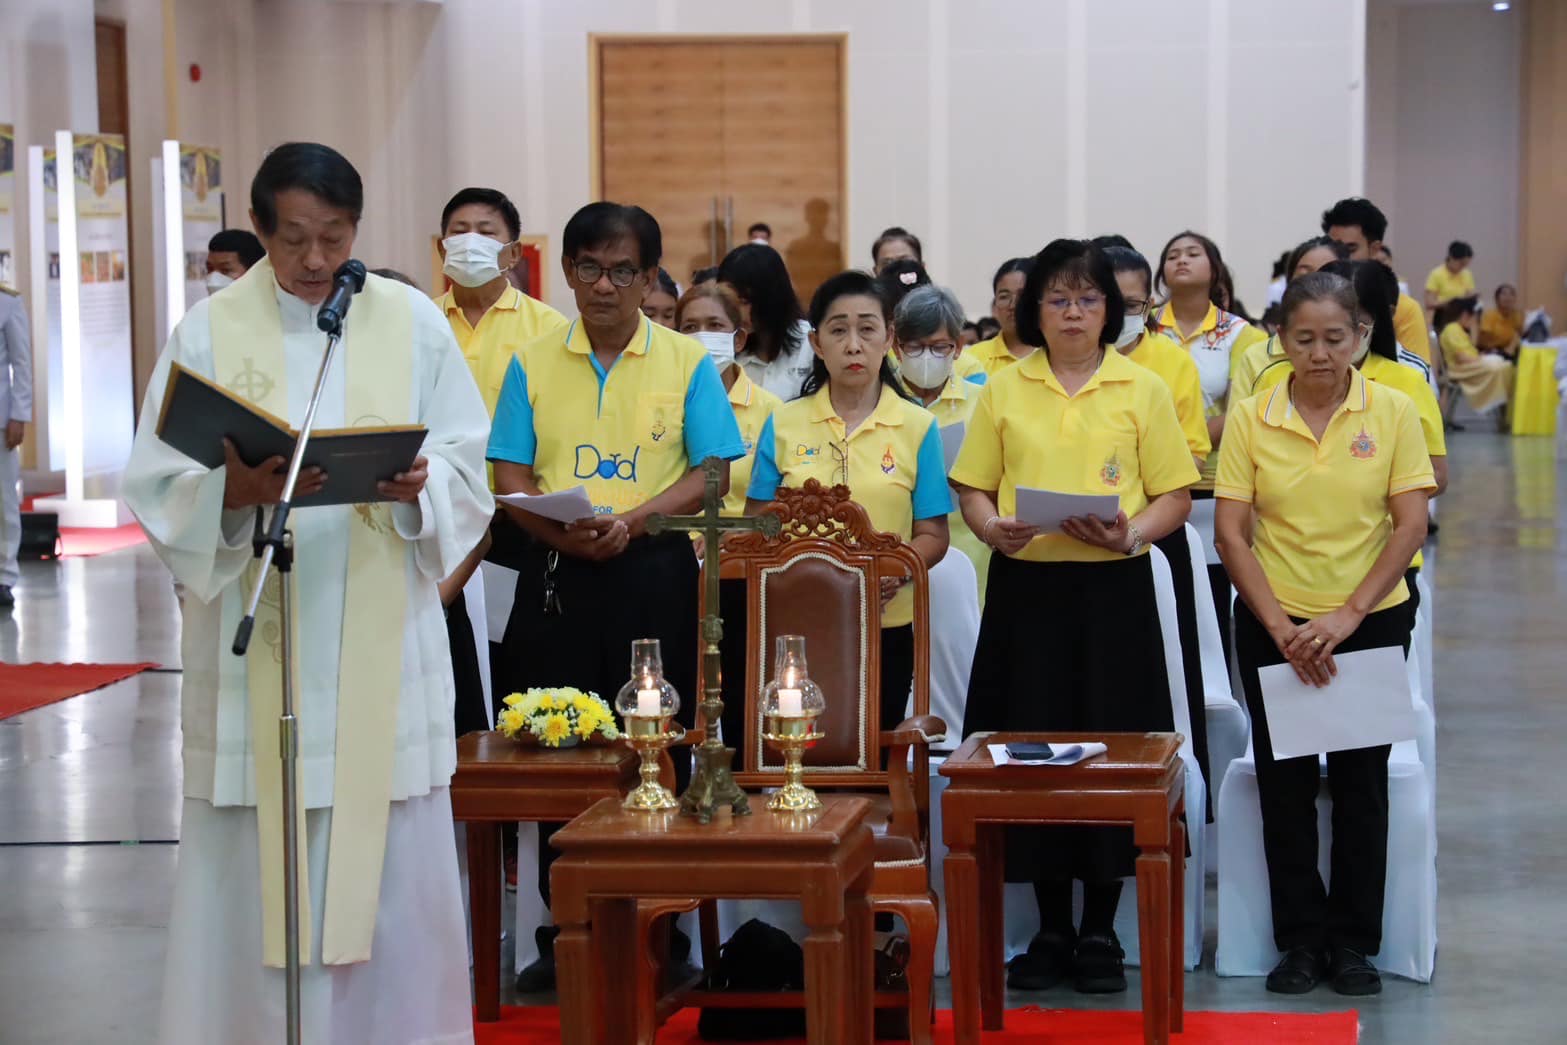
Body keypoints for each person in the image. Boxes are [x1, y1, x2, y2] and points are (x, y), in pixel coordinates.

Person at [122, 142, 493, 1043]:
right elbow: (157, 480)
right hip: (264, 629)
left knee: (391, 866)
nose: (317, 261)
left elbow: (466, 464)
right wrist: (228, 493)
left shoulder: (408, 320)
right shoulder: (208, 331)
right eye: (294, 239)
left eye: (334, 236)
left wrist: (423, 488)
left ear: (358, 230)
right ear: (259, 230)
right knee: (253, 866)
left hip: (377, 641)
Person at [488, 202, 745, 990]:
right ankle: (556, 931)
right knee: (557, 747)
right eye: (590, 268)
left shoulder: (683, 362)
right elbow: (510, 476)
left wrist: (630, 524)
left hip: (654, 575)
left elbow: (712, 472)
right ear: (566, 271)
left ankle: (656, 936)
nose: (605, 285)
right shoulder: (530, 362)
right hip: (556, 574)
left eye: (623, 270)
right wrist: (562, 533)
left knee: (651, 751)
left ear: (649, 278)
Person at [951, 239, 1198, 994]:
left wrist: (1132, 532)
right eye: (1056, 299)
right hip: (1028, 597)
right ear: (1033, 308)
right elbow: (973, 488)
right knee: (1029, 756)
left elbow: (1174, 496)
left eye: (1087, 299)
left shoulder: (1140, 387)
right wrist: (992, 527)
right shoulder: (1002, 386)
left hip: (1112, 598)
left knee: (1111, 756)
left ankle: (1100, 927)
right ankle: (1050, 925)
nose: (1071, 312)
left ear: (1109, 310)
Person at [1214, 271, 1435, 998]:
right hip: (1274, 623)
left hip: (1368, 621)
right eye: (1302, 338)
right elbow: (1232, 534)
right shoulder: (1251, 415)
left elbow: (1408, 526)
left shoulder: (1394, 409)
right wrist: (1280, 627)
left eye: (1333, 337)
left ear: (1362, 336)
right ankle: (1300, 939)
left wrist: (1345, 617)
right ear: (1279, 340)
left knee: (1358, 782)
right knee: (1283, 785)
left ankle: (1353, 942)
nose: (1317, 353)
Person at [747, 270, 952, 736]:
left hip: (887, 619)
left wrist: (889, 569)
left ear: (889, 339)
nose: (854, 345)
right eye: (838, 330)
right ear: (817, 344)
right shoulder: (783, 424)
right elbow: (757, 523)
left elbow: (933, 534)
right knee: (796, 746)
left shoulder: (918, 427)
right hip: (795, 621)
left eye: (867, 329)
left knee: (873, 749)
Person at [1106, 244, 1213, 815]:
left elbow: (1193, 453)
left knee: (1163, 685)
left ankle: (1176, 808)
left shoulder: (1169, 364)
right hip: (1075, 541)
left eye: (1131, 303)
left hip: (1152, 533)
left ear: (1148, 304)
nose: (1120, 314)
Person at [436, 186, 568, 416]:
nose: (470, 244)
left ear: (515, 253)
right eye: (459, 231)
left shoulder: (549, 327)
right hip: (434, 452)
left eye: (486, 233)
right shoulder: (422, 319)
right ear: (443, 248)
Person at [1230, 237, 1351, 400]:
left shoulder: (1361, 352)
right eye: (1304, 274)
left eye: (1327, 274)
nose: (1315, 283)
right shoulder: (1255, 359)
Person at [1321, 197, 1433, 366]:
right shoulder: (1313, 300)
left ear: (1374, 249)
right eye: (1333, 247)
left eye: (1351, 248)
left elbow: (1413, 375)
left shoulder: (1404, 309)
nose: (1340, 255)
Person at [716, 243, 813, 400]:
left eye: (744, 301)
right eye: (728, 302)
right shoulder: (723, 349)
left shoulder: (809, 344)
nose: (738, 313)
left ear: (772, 297)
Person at [878, 259, 984, 387]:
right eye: (914, 347)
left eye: (939, 347)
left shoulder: (977, 391)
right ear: (896, 346)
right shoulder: (882, 388)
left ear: (958, 346)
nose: (926, 357)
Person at [0, 281, 30, 609]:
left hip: (1, 415)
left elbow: (21, 363)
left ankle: (5, 575)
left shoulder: (7, 301)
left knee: (4, 497)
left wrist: (19, 415)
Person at [1437, 295, 1513, 417]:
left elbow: (1472, 347)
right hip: (1461, 369)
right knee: (1499, 368)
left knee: (1505, 366)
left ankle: (1502, 408)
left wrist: (1474, 329)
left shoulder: (1459, 330)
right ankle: (1496, 405)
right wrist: (1482, 360)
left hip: (1470, 365)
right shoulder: (1452, 329)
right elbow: (1462, 357)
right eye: (1475, 318)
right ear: (1466, 315)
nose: (1475, 322)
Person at [968, 258, 1036, 375]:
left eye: (1022, 295)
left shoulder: (1058, 356)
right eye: (1004, 296)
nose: (1013, 305)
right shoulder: (972, 359)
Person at [203, 228, 265, 294]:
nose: (213, 282)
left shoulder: (271, 303)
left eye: (225, 270)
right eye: (210, 269)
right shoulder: (204, 304)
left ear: (253, 271)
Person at [1424, 241, 1476, 312]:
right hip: (1441, 315)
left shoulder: (1466, 274)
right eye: (1461, 263)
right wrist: (1451, 302)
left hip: (1461, 315)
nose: (1463, 267)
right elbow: (1429, 303)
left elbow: (1470, 295)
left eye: (1466, 265)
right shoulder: (1437, 274)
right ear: (1451, 258)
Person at [1477, 283, 1525, 358]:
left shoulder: (1518, 315)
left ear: (1515, 299)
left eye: (1511, 294)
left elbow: (1521, 335)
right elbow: (1484, 341)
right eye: (1504, 294)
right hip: (1491, 350)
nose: (1508, 297)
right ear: (1496, 299)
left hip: (1511, 350)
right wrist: (1499, 351)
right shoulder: (1489, 315)